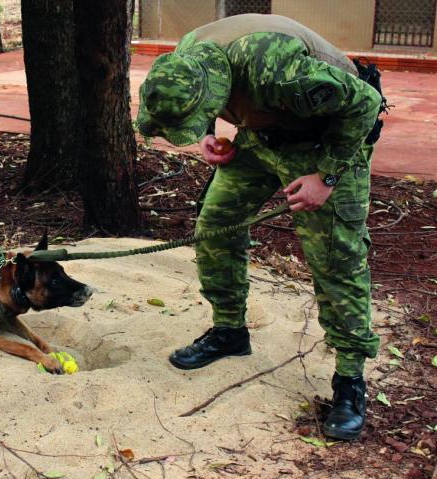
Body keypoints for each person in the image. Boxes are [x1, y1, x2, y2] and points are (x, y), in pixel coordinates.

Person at [137, 14, 385, 441]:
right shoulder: (185, 60)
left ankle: (349, 380)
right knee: (216, 225)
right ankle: (229, 331)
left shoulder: (278, 68)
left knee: (335, 258)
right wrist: (207, 133)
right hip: (260, 136)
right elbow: (197, 101)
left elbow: (364, 103)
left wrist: (326, 177)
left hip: (325, 142)